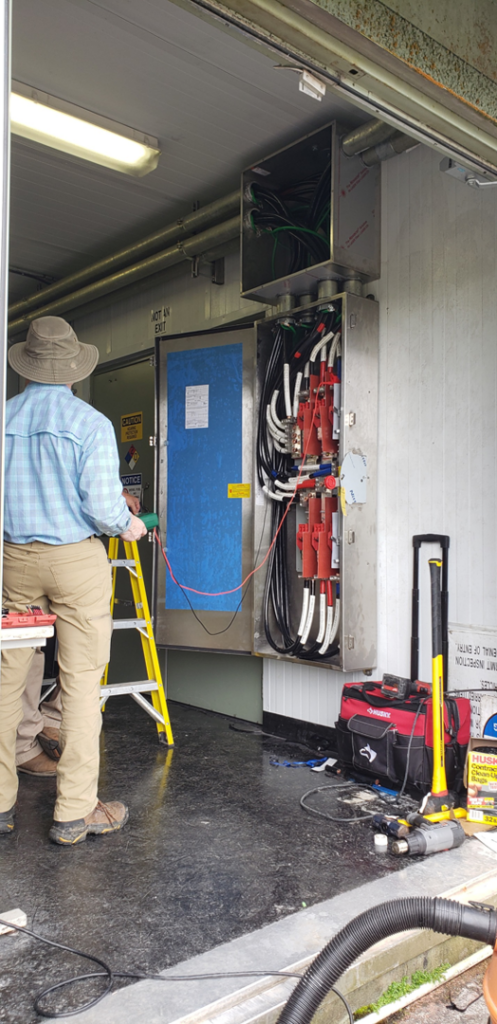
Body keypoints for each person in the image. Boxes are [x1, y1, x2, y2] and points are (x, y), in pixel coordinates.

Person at [0, 316, 147, 845]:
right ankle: (74, 812)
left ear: (27, 368)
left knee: (8, 679)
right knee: (82, 682)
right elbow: (104, 508)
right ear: (72, 371)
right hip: (76, 566)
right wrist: (130, 526)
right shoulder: (90, 424)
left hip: (16, 563)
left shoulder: (4, 418)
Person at [14, 493, 141, 778]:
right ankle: (75, 806)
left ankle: (29, 740)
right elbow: (97, 496)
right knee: (84, 653)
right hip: (70, 548)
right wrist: (126, 522)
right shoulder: (90, 444)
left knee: (22, 647)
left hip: (15, 548)